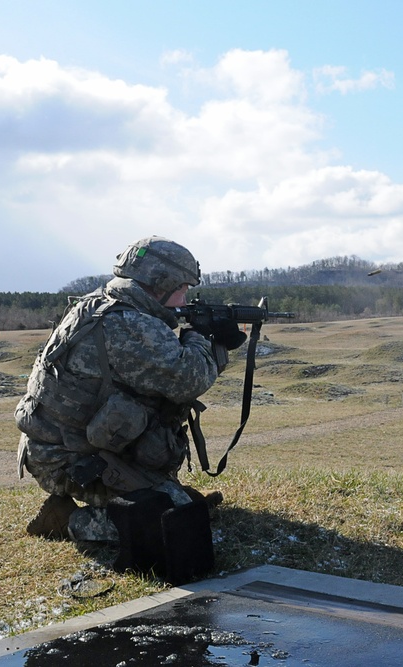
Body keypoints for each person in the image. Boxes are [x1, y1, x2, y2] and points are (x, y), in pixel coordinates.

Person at [14, 237, 245, 569]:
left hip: (63, 446)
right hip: (70, 461)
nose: (185, 299)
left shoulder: (101, 303)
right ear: (159, 284)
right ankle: (64, 520)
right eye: (182, 288)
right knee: (175, 519)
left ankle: (159, 489)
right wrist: (204, 338)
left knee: (154, 439)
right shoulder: (130, 325)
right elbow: (189, 379)